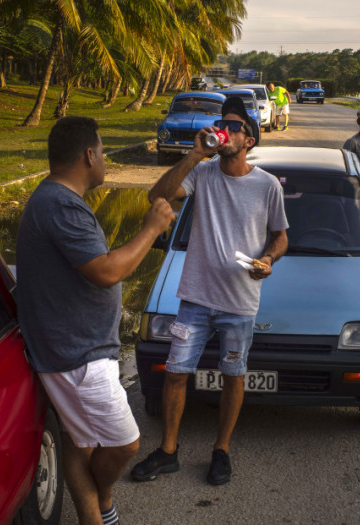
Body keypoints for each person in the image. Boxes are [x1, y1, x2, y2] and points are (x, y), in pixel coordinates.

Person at [16, 116, 175, 525]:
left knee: (79, 443)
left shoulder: (55, 200)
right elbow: (106, 271)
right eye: (103, 152)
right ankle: (102, 497)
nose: (105, 160)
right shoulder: (61, 205)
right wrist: (151, 228)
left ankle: (95, 516)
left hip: (75, 349)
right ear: (89, 154)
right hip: (77, 357)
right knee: (125, 443)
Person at [131, 97, 289, 486]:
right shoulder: (202, 175)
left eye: (234, 127)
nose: (226, 130)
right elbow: (159, 197)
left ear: (248, 140)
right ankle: (168, 451)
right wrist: (194, 154)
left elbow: (281, 236)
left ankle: (222, 450)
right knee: (176, 374)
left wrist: (268, 259)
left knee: (233, 375)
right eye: (222, 124)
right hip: (196, 299)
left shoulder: (267, 185)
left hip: (239, 302)